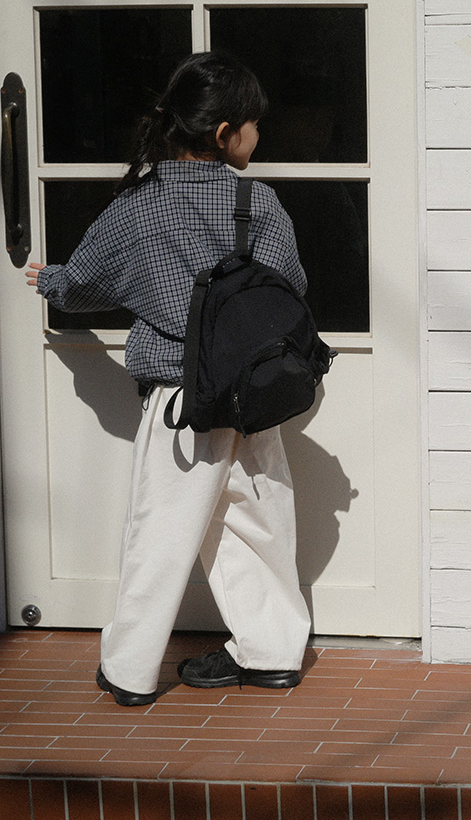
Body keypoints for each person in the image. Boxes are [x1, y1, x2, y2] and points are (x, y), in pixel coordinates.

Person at [25, 52, 312, 706]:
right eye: (254, 125)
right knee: (260, 523)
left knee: (160, 531)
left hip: (183, 397)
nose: (259, 136)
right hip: (253, 393)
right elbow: (290, 286)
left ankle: (130, 669)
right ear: (224, 133)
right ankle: (272, 653)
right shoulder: (258, 202)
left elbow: (88, 279)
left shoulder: (141, 205)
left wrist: (53, 282)